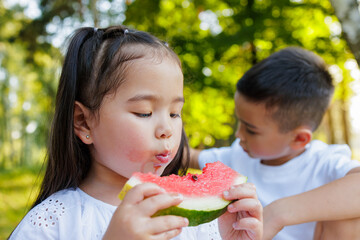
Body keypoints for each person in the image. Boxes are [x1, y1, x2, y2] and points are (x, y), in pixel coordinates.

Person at [9, 25, 262, 240]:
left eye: (175, 113)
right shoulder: (52, 223)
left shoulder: (203, 224)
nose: (167, 130)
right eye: (144, 113)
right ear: (84, 123)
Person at [189, 47, 360, 240]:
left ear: (299, 139)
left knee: (351, 215)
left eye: (251, 130)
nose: (239, 135)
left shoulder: (324, 162)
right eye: (239, 123)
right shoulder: (237, 155)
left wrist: (279, 213)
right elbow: (189, 157)